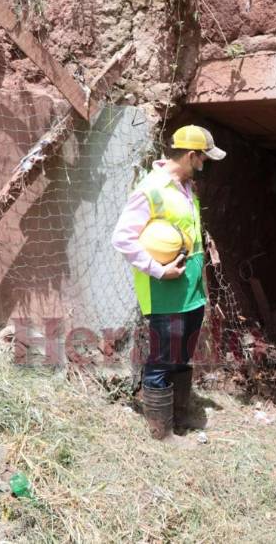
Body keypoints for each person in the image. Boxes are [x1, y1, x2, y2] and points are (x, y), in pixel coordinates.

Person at [112, 125, 226, 441]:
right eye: (204, 158)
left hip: (190, 291)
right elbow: (122, 238)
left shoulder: (185, 187)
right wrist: (159, 270)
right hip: (164, 292)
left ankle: (179, 415)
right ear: (191, 155)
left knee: (181, 354)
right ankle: (161, 432)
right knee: (163, 359)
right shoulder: (151, 189)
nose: (205, 164)